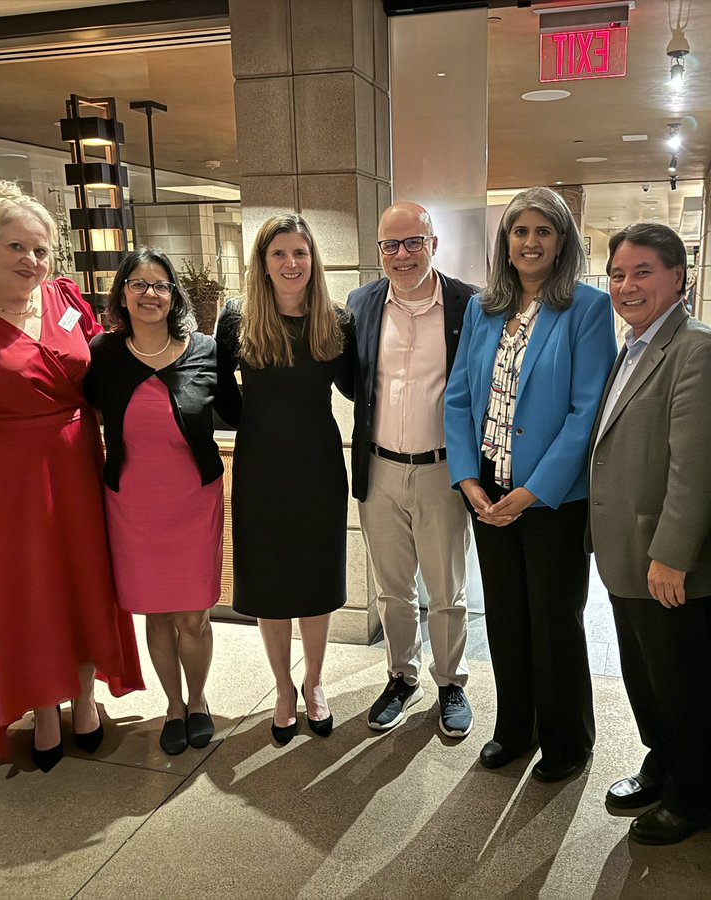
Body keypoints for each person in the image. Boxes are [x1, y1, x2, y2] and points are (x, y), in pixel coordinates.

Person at [0, 180, 143, 771]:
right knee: (31, 592)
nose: (31, 261)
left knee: (85, 580)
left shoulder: (68, 299)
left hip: (77, 467)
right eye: (17, 248)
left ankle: (86, 700)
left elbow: (98, 385)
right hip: (6, 481)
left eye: (40, 250)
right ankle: (44, 710)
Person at [444, 186, 616, 782]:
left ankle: (568, 738)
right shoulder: (482, 309)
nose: (530, 242)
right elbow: (460, 395)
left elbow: (585, 411)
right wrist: (468, 479)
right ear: (505, 242)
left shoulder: (588, 310)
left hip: (550, 495)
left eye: (543, 232)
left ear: (561, 242)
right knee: (507, 617)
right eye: (520, 232)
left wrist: (533, 491)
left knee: (553, 616)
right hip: (487, 486)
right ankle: (516, 728)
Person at [587, 223, 711, 844]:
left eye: (642, 272)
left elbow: (695, 465)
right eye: (618, 274)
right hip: (628, 554)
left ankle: (695, 796)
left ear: (679, 277)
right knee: (646, 674)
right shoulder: (635, 345)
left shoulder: (694, 349)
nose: (627, 285)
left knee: (684, 680)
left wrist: (672, 556)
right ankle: (663, 760)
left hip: (665, 560)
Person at [84, 248, 238, 756]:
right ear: (122, 294)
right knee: (155, 612)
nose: (151, 293)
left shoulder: (204, 349)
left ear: (175, 297)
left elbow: (237, 410)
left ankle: (198, 701)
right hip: (132, 504)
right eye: (139, 284)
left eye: (162, 285)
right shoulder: (102, 354)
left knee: (193, 613)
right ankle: (173, 705)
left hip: (193, 500)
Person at [215, 214, 354, 745]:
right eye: (279, 254)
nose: (291, 263)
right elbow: (220, 392)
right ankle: (281, 688)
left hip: (318, 465)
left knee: (315, 584)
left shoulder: (335, 321)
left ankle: (314, 683)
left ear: (313, 259)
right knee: (269, 583)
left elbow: (357, 386)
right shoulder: (238, 318)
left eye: (300, 253)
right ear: (263, 263)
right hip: (260, 465)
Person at [347, 202, 475, 737]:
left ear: (434, 244)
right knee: (392, 589)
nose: (401, 255)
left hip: (443, 471)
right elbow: (353, 380)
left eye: (413, 242)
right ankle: (403, 675)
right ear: (379, 250)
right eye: (389, 245)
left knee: (446, 590)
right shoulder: (361, 303)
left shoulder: (469, 305)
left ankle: (450, 681)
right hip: (379, 468)